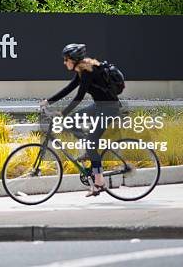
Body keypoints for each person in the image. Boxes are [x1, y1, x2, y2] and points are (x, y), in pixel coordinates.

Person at [40, 43, 122, 197]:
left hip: (109, 109)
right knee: (71, 122)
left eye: (66, 60)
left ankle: (99, 182)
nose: (64, 63)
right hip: (99, 106)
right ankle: (89, 152)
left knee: (91, 143)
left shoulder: (88, 72)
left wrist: (62, 113)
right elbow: (69, 88)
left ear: (74, 60)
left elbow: (78, 97)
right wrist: (48, 101)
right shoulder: (82, 70)